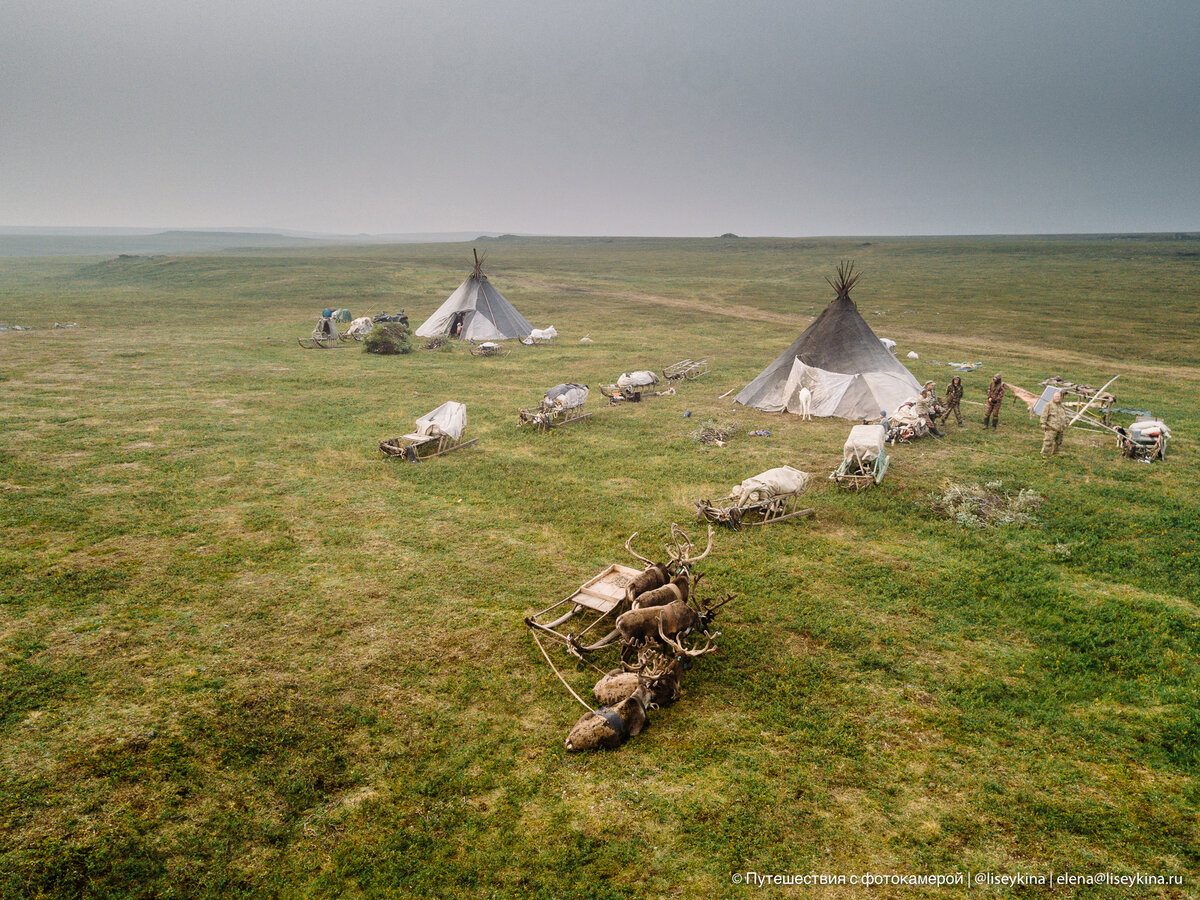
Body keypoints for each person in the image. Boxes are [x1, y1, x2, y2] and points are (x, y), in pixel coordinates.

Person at [1040, 390, 1069, 456]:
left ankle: (1055, 452)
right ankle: (1044, 454)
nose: (1057, 398)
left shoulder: (1061, 405)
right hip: (1051, 427)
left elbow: (1064, 415)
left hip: (1060, 427)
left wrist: (1067, 423)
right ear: (1053, 397)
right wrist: (1043, 423)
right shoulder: (1048, 405)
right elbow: (1044, 415)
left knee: (1059, 441)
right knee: (1048, 441)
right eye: (1056, 396)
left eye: (1058, 396)